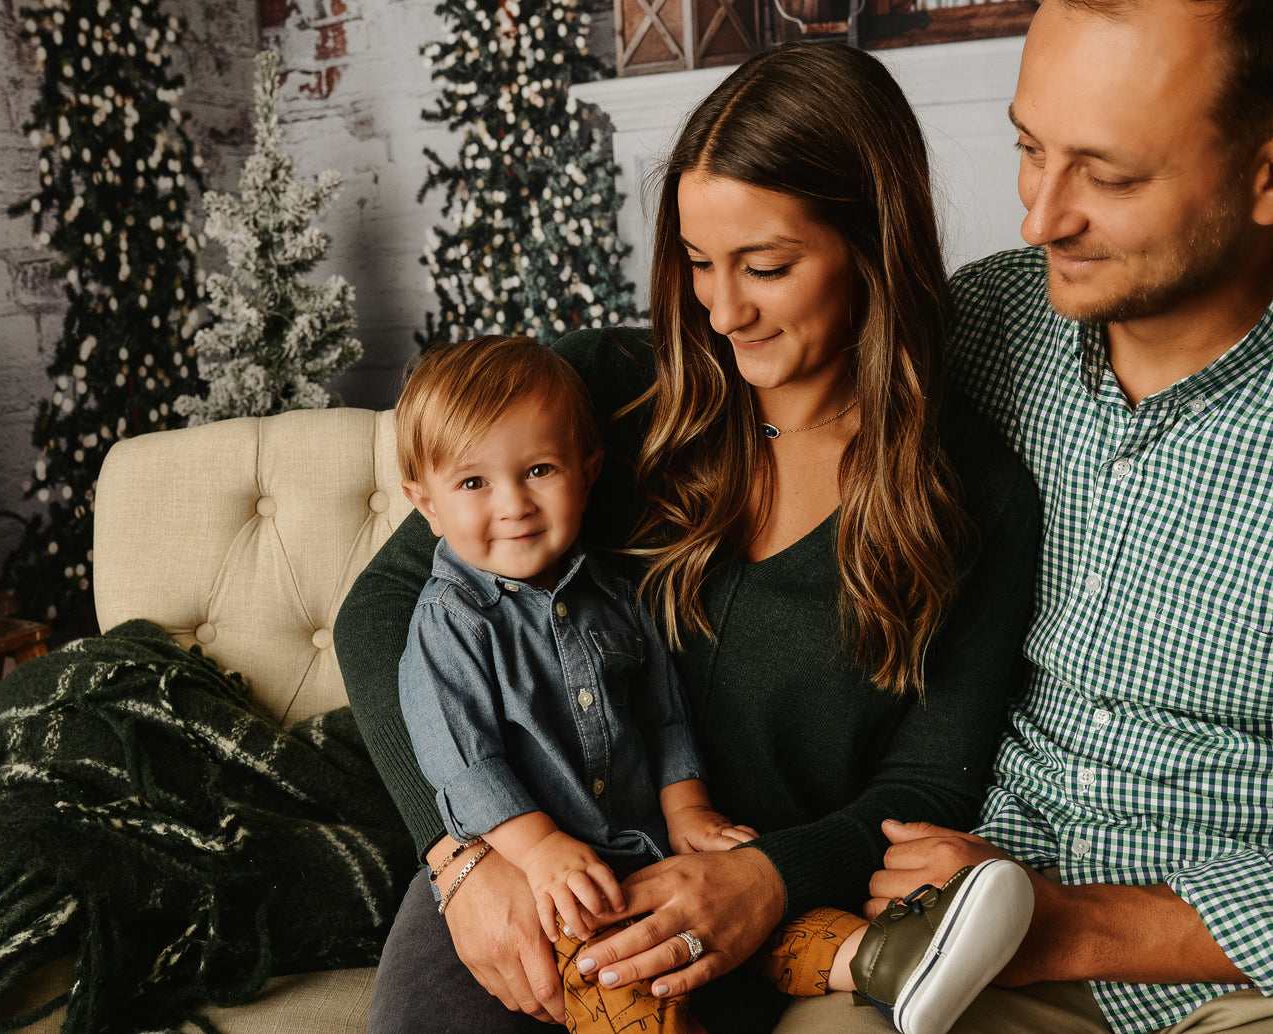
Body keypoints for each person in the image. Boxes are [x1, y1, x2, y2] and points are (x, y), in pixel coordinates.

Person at [337, 41, 1041, 1034]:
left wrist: (765, 876)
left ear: (872, 246)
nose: (719, 308)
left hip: (759, 916)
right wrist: (463, 861)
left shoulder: (970, 494)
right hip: (528, 871)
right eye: (698, 263)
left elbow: (929, 780)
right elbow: (380, 612)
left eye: (764, 266)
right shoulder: (599, 399)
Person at [780, 1, 1273, 1033]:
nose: (1038, 217)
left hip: (1228, 977)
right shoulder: (988, 322)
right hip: (950, 923)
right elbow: (726, 375)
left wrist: (1068, 924)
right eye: (1026, 149)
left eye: (1106, 174)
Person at [388, 334, 1036, 1034]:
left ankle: (889, 961)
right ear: (424, 504)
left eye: (538, 470)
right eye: (473, 484)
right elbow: (463, 763)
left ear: (589, 469)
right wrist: (538, 851)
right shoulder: (450, 624)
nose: (513, 504)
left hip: (648, 854)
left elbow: (662, 720)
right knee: (626, 984)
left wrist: (688, 812)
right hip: (553, 887)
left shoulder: (614, 594)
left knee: (771, 931)